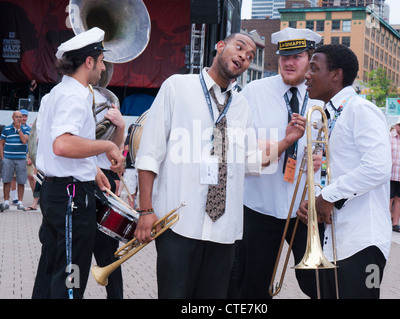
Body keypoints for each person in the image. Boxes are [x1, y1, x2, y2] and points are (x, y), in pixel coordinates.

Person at [134, 33, 306, 299]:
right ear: (220, 46)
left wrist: (286, 141)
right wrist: (145, 209)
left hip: (224, 232)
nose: (244, 57)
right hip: (178, 225)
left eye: (250, 56)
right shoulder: (177, 87)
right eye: (239, 48)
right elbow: (149, 152)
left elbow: (251, 161)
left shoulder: (242, 106)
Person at [31, 27, 124, 299]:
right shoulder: (75, 95)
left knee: (50, 268)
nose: (103, 67)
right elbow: (62, 144)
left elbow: (50, 148)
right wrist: (107, 145)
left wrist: (92, 169)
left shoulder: (55, 94)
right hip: (72, 197)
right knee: (71, 274)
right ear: (89, 61)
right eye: (101, 61)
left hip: (55, 192)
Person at [298, 44, 392, 299]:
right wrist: (313, 201)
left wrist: (329, 196)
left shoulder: (361, 109)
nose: (306, 75)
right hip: (335, 240)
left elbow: (378, 168)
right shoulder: (329, 115)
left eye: (314, 68)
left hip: (363, 242)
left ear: (336, 75)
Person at [237, 28, 324, 299]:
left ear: (310, 59)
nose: (288, 62)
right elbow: (243, 150)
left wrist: (323, 161)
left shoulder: (321, 97)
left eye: (297, 56)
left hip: (303, 207)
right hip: (260, 205)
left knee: (317, 282)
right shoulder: (254, 92)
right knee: (252, 284)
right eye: (284, 56)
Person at [92, 87, 126, 299]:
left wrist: (121, 126)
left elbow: (116, 148)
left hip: (105, 178)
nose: (104, 68)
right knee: (74, 257)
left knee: (109, 255)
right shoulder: (72, 97)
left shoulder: (109, 99)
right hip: (79, 177)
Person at [0, 111, 30, 211]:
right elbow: (1, 143)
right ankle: (6, 202)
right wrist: (2, 157)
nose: (18, 119)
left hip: (21, 158)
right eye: (16, 117)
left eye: (20, 117)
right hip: (8, 158)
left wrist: (19, 129)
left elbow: (24, 141)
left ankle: (20, 202)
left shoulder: (26, 129)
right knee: (6, 180)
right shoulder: (6, 128)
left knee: (21, 181)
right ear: (13, 117)